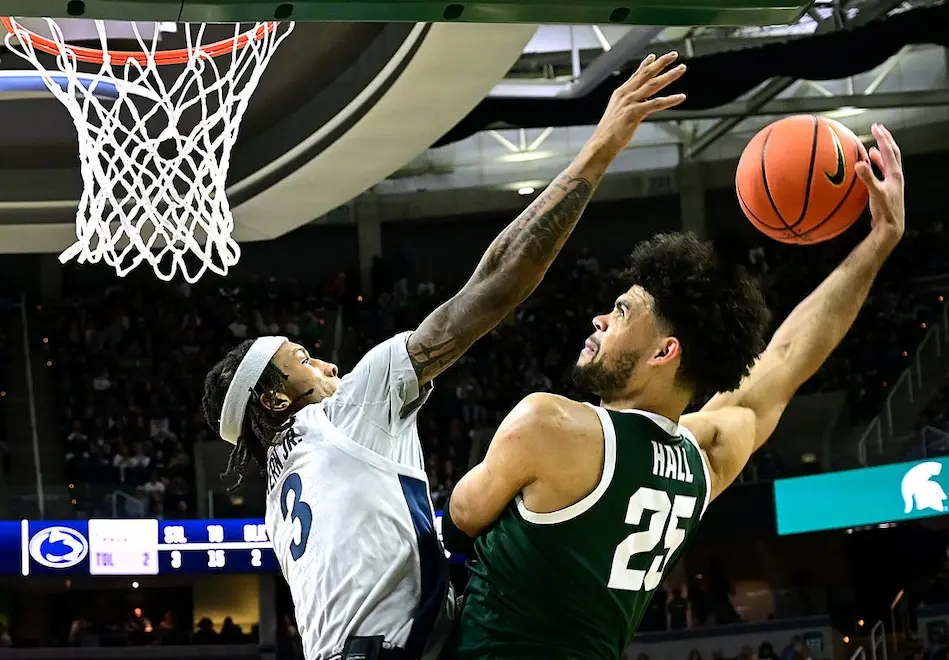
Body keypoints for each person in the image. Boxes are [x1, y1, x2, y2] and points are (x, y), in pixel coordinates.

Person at [200, 52, 687, 660]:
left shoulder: (280, 492)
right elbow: (497, 280)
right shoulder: (346, 407)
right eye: (304, 359)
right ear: (275, 397)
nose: (327, 364)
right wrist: (601, 147)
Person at [444, 124, 905, 660]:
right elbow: (785, 361)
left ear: (664, 352)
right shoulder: (702, 460)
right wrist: (880, 241)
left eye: (620, 312)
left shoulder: (548, 425)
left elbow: (463, 513)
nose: (598, 319)